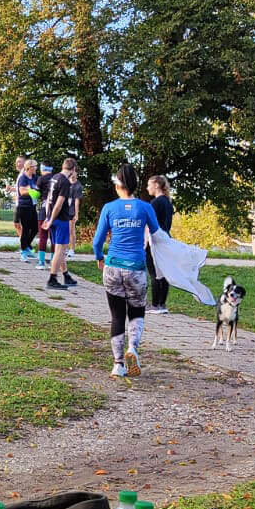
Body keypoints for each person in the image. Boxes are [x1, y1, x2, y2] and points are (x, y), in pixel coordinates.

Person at [92, 161, 161, 378]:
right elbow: (158, 235)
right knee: (137, 312)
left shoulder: (109, 208)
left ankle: (118, 364)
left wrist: (99, 257)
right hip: (136, 269)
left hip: (113, 267)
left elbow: (97, 241)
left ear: (117, 186)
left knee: (117, 315)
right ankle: (132, 348)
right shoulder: (146, 207)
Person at [43, 156, 80, 290]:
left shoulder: (54, 178)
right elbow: (58, 204)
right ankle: (52, 279)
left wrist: (48, 217)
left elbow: (48, 199)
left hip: (52, 218)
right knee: (60, 250)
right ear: (73, 169)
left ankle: (66, 275)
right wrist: (51, 219)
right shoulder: (64, 182)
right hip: (60, 219)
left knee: (60, 249)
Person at [146, 174, 176, 312]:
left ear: (156, 185)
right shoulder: (168, 203)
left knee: (154, 273)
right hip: (166, 239)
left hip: (155, 240)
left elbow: (150, 225)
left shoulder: (155, 203)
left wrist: (145, 241)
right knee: (163, 273)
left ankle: (155, 305)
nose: (147, 188)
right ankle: (162, 304)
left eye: (149, 185)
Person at [14, 158, 39, 262]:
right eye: (35, 166)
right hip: (23, 206)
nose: (36, 168)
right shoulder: (23, 178)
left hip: (32, 206)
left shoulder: (35, 177)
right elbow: (22, 192)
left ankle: (26, 245)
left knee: (35, 228)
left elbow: (39, 188)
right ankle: (24, 252)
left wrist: (30, 189)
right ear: (29, 167)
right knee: (25, 229)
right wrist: (32, 191)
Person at [35, 162, 55, 268]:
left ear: (42, 168)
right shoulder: (57, 178)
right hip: (55, 211)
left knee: (43, 237)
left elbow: (35, 195)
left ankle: (41, 262)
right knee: (53, 238)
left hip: (44, 210)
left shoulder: (41, 179)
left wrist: (29, 190)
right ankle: (53, 262)